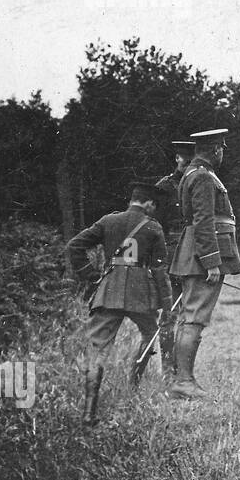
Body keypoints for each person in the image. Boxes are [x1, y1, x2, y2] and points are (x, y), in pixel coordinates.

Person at [67, 179, 174, 424]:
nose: (153, 209)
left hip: (109, 290)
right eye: (153, 205)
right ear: (148, 203)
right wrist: (167, 306)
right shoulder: (153, 228)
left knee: (97, 350)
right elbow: (160, 272)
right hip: (140, 294)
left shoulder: (108, 221)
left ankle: (88, 413)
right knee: (150, 336)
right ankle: (133, 387)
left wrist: (91, 276)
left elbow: (74, 246)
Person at [167, 128, 240, 400]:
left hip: (192, 254)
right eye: (221, 149)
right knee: (194, 319)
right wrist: (212, 262)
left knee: (188, 318)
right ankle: (183, 382)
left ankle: (180, 378)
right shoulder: (203, 177)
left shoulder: (193, 174)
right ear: (215, 150)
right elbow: (203, 221)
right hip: (200, 258)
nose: (222, 154)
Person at [154, 139, 195, 372]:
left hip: (193, 259)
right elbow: (155, 226)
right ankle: (168, 370)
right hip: (170, 260)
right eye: (182, 158)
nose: (185, 162)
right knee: (170, 316)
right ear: (176, 158)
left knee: (190, 318)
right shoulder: (164, 187)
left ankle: (184, 373)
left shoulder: (198, 184)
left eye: (190, 159)